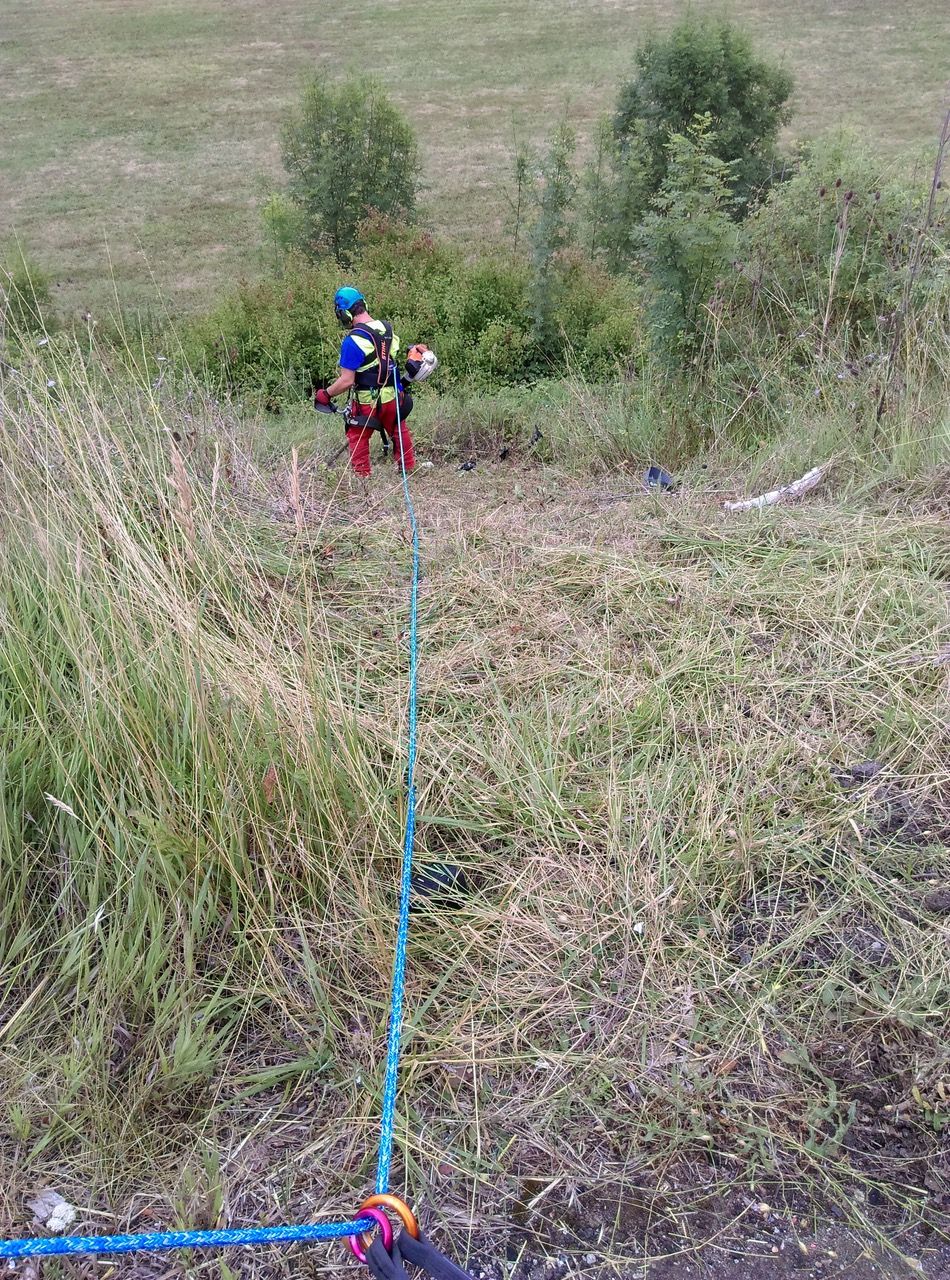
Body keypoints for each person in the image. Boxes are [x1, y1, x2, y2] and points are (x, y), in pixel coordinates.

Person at [315, 287, 415, 478]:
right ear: (364, 305)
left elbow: (346, 381)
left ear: (344, 314)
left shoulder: (352, 341)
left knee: (357, 435)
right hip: (394, 397)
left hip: (367, 402)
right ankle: (408, 468)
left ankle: (362, 477)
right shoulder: (387, 329)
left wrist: (325, 394)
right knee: (398, 430)